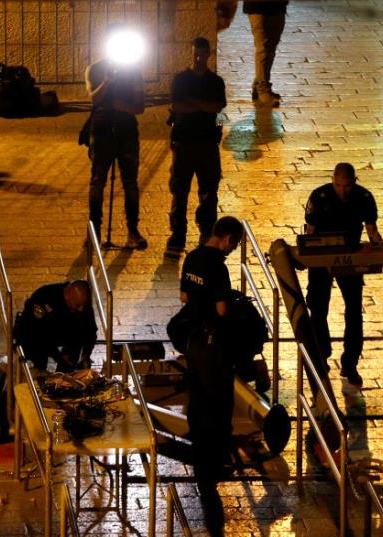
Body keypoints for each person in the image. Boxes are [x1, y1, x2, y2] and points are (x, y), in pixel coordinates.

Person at [179, 216, 244, 537]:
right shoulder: (218, 265)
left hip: (192, 342)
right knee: (220, 402)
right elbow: (220, 310)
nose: (234, 251)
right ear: (227, 238)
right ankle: (216, 459)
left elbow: (184, 298)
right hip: (213, 345)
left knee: (197, 397)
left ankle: (197, 448)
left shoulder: (191, 257)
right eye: (236, 244)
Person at [304, 163, 382, 387]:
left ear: (354, 182)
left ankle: (350, 363)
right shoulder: (319, 197)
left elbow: (372, 230)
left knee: (354, 310)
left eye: (347, 186)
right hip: (322, 256)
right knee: (318, 308)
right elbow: (310, 232)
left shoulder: (364, 198)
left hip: (350, 256)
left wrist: (378, 249)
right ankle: (322, 354)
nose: (343, 191)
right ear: (333, 181)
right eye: (338, 186)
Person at [84, 34, 148, 249]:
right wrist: (106, 81)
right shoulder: (95, 69)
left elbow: (140, 107)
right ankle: (93, 232)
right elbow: (94, 99)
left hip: (127, 132)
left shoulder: (134, 72)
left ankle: (132, 230)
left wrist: (122, 107)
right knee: (97, 181)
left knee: (130, 183)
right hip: (102, 131)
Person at [167, 37, 227, 254]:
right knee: (180, 191)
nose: (199, 58)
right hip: (184, 143)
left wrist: (193, 103)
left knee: (209, 191)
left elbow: (217, 107)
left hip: (207, 144)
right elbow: (177, 105)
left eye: (202, 54)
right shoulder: (181, 80)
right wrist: (203, 106)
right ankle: (178, 233)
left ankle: (207, 232)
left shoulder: (215, 82)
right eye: (196, 54)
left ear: (208, 54)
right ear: (191, 54)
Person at [14, 280, 97, 373]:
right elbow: (40, 334)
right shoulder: (44, 297)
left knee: (76, 346)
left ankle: (66, 378)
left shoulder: (81, 302)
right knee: (38, 361)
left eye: (83, 305)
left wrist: (86, 355)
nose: (81, 309)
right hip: (34, 333)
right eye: (77, 305)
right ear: (68, 296)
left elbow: (91, 330)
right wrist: (59, 357)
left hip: (60, 330)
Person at [244, 0, 288, 108]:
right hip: (257, 6)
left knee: (271, 47)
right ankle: (263, 90)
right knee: (263, 47)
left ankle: (259, 83)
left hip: (278, 6)